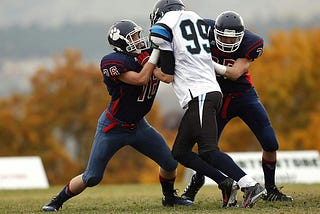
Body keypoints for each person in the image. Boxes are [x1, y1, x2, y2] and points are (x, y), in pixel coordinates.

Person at [41, 19, 193, 212]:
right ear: (121, 43)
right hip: (113, 127)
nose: (139, 40)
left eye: (138, 35)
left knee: (170, 163)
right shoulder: (113, 62)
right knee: (92, 177)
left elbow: (169, 70)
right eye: (133, 38)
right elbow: (140, 79)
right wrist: (156, 53)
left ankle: (169, 197)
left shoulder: (147, 54)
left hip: (139, 126)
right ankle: (56, 201)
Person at [149, 0, 266, 208]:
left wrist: (151, 68)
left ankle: (251, 185)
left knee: (209, 150)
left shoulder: (164, 24)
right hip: (206, 92)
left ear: (161, 13)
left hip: (200, 94)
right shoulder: (195, 18)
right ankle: (225, 183)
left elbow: (166, 75)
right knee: (180, 153)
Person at [181, 11, 293, 203]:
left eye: (232, 38)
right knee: (206, 150)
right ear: (215, 32)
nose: (227, 41)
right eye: (223, 36)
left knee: (271, 143)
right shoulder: (203, 30)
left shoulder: (252, 42)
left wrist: (206, 61)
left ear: (242, 36)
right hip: (215, 98)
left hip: (243, 96)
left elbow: (234, 73)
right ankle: (194, 186)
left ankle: (271, 189)